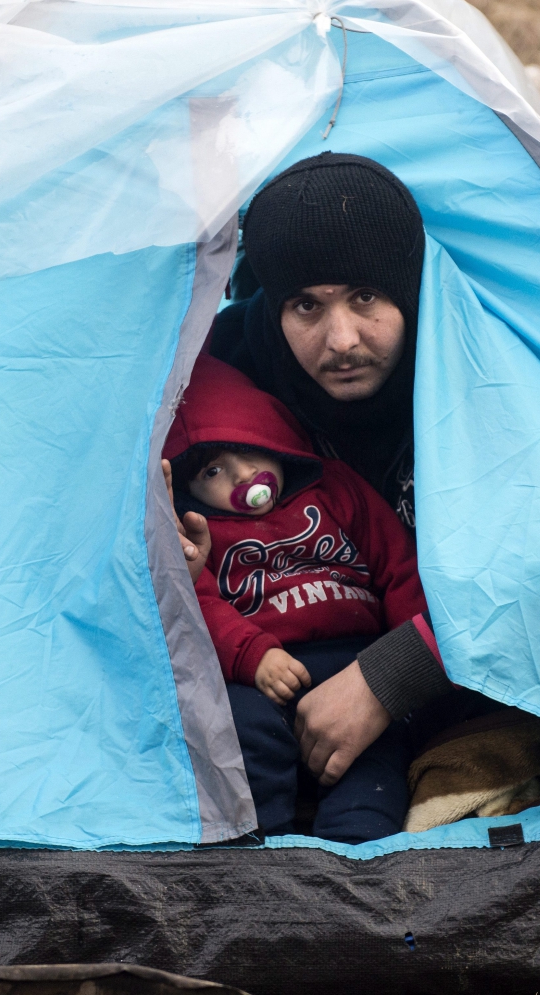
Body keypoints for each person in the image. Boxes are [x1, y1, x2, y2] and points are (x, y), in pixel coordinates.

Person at [201, 151, 487, 789]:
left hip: (438, 663)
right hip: (267, 672)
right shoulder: (225, 382)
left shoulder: (478, 378)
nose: (342, 339)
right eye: (306, 306)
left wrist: (387, 681)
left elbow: (538, 562)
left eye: (365, 296)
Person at [164, 353, 430, 842]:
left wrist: (407, 669)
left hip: (357, 663)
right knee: (241, 734)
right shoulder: (198, 531)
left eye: (253, 453)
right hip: (259, 672)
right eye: (213, 471)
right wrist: (251, 653)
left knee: (375, 755)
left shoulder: (335, 489)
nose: (243, 476)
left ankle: (357, 847)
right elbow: (198, 604)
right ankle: (261, 846)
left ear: (280, 442)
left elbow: (398, 568)